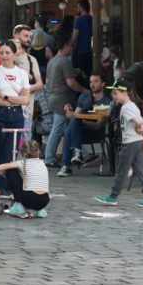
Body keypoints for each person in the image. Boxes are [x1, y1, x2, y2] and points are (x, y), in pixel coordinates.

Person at [0, 40, 31, 213]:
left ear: (14, 54)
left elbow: (26, 99)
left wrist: (8, 98)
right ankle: (9, 190)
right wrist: (12, 98)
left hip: (16, 115)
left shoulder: (22, 73)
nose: (4, 56)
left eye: (7, 52)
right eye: (1, 52)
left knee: (9, 156)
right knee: (0, 154)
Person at [94, 84, 143, 208]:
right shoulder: (132, 106)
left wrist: (140, 126)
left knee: (121, 171)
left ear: (124, 93)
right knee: (142, 170)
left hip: (130, 144)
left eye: (115, 94)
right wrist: (142, 128)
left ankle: (113, 197)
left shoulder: (126, 108)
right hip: (138, 142)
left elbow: (139, 121)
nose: (114, 97)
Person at [44, 33, 88, 177]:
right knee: (58, 129)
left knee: (64, 129)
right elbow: (71, 82)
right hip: (62, 99)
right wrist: (84, 90)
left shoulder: (53, 60)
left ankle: (65, 155)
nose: (72, 48)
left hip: (51, 96)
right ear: (65, 46)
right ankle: (50, 158)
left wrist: (75, 71)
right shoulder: (64, 61)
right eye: (71, 45)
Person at [0, 141, 51, 218]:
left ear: (22, 153)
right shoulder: (42, 163)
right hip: (45, 200)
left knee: (11, 171)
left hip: (30, 199)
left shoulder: (22, 163)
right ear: (38, 151)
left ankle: (18, 206)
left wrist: (4, 175)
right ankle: (39, 210)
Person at [66, 72, 112, 169]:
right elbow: (75, 115)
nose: (92, 84)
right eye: (91, 81)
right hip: (80, 132)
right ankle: (76, 154)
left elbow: (99, 125)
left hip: (96, 133)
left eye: (96, 81)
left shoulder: (107, 101)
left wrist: (80, 120)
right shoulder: (84, 97)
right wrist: (69, 110)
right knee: (70, 129)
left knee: (68, 132)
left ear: (103, 84)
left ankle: (67, 166)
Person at [12, 24, 45, 144]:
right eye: (26, 36)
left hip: (27, 111)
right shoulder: (5, 58)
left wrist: (25, 88)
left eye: (30, 37)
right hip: (8, 111)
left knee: (24, 147)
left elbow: (40, 84)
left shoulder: (32, 59)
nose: (28, 39)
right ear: (16, 36)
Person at [73, 0, 94, 75]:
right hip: (91, 50)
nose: (77, 9)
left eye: (78, 7)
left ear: (81, 8)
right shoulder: (92, 19)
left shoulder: (78, 20)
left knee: (81, 73)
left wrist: (72, 45)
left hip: (81, 50)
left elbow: (75, 35)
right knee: (89, 72)